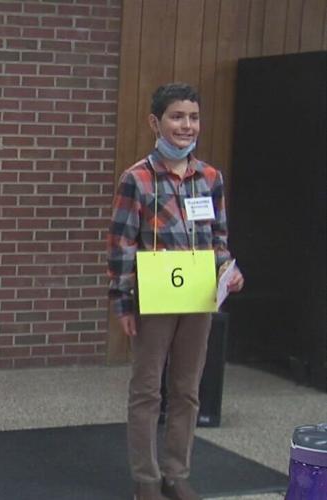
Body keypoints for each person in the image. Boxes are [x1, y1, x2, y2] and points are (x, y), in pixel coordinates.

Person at [107, 82, 244, 500]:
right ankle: (146, 479)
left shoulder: (210, 178)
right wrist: (123, 303)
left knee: (187, 389)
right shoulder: (137, 179)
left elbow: (218, 239)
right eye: (177, 116)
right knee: (147, 389)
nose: (186, 125)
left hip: (198, 297)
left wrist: (229, 269)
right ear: (156, 122)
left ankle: (176, 472)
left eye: (193, 117)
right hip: (154, 297)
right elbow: (121, 244)